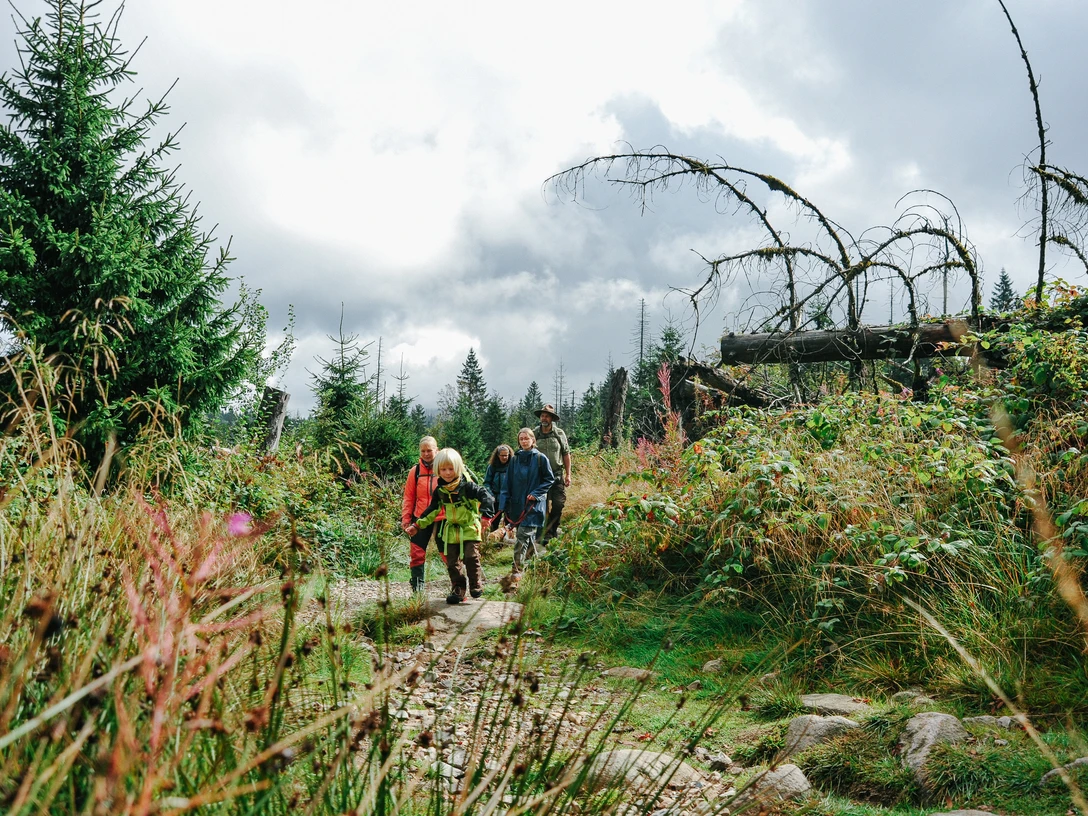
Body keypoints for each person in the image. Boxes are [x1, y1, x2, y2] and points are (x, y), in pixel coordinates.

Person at [408, 448, 494, 604]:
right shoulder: (440, 491)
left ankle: (475, 585)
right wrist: (417, 525)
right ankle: (458, 589)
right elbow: (431, 511)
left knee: (470, 556)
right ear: (438, 471)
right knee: (452, 562)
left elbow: (486, 496)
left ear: (458, 468)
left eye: (451, 469)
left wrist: (486, 516)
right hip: (451, 530)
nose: (447, 473)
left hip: (469, 527)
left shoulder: (467, 487)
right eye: (443, 469)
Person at [499, 428, 554, 580]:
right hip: (517, 506)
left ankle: (516, 570)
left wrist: (536, 494)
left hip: (533, 507)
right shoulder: (514, 460)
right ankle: (540, 566)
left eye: (526, 438)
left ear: (532, 440)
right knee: (527, 539)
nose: (523, 441)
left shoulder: (541, 458)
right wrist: (503, 506)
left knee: (522, 537)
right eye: (521, 439)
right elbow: (507, 484)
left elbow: (549, 480)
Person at [401, 436, 443, 593]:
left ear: (436, 450)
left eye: (429, 450)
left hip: (441, 517)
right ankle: (417, 589)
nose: (426, 454)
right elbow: (409, 497)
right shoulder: (415, 471)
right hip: (419, 518)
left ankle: (457, 587)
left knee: (447, 553)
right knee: (417, 553)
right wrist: (406, 519)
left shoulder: (444, 468)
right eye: (423, 451)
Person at [533, 404, 571, 544]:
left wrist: (568, 475)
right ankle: (541, 534)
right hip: (539, 476)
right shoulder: (534, 434)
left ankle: (552, 531)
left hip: (557, 474)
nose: (544, 418)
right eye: (542, 415)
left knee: (558, 504)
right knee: (540, 506)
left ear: (552, 418)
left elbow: (566, 454)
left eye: (547, 416)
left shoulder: (559, 433)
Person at [483, 444, 513, 535]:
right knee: (494, 521)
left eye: (506, 455)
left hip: (509, 498)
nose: (504, 457)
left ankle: (508, 539)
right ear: (498, 456)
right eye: (502, 455)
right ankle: (494, 539)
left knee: (509, 521)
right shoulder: (492, 467)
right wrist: (491, 495)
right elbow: (486, 483)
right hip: (495, 498)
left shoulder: (513, 466)